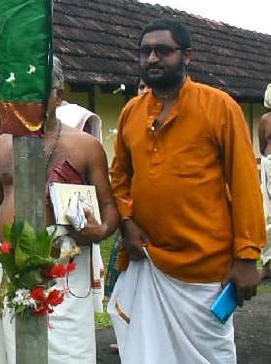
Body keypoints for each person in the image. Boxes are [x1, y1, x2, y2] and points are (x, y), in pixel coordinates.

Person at [108, 18, 265, 364]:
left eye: (163, 50)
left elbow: (244, 184)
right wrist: (127, 221)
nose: (152, 58)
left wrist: (247, 257)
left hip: (204, 268)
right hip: (147, 260)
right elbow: (119, 176)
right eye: (145, 51)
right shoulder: (132, 112)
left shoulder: (219, 107)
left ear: (187, 56)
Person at [0, 56, 119, 364]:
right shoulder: (2, 145)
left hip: (64, 267)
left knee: (68, 354)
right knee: (16, 352)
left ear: (59, 94)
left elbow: (109, 206)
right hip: (11, 267)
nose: (30, 102)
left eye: (39, 93)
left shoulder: (85, 146)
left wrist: (102, 230)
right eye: (23, 93)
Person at [104, 77, 150, 353]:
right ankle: (127, 336)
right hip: (131, 220)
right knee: (128, 282)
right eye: (140, 87)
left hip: (163, 225)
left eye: (148, 87)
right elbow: (119, 172)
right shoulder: (130, 120)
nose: (144, 92)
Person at [258, 83, 271, 279]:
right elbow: (262, 148)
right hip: (269, 167)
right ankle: (268, 264)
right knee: (268, 215)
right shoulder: (265, 120)